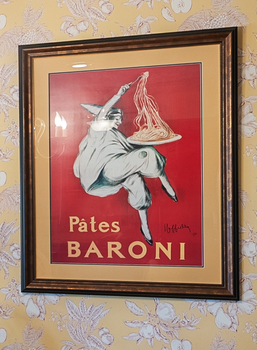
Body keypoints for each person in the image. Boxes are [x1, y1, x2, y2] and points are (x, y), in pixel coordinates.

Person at [72, 81, 178, 244]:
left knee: (137, 183)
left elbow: (131, 147)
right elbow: (102, 113)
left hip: (120, 168)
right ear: (106, 118)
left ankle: (145, 227)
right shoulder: (97, 132)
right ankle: (165, 182)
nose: (119, 123)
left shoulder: (117, 135)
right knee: (146, 153)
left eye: (120, 119)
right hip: (107, 171)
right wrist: (118, 95)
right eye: (116, 119)